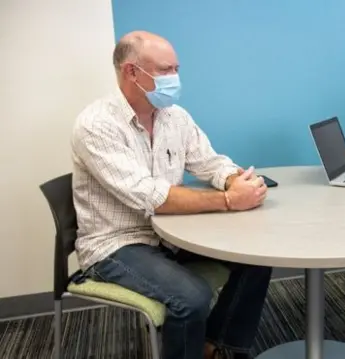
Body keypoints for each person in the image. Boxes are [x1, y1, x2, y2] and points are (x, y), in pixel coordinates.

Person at [71, 31, 272, 359]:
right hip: (117, 243)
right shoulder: (96, 126)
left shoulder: (175, 117)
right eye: (165, 70)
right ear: (131, 72)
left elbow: (210, 162)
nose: (174, 78)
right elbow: (151, 196)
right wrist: (227, 200)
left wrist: (236, 180)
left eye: (176, 69)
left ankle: (216, 346)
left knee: (258, 257)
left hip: (173, 235)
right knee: (190, 298)